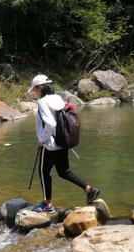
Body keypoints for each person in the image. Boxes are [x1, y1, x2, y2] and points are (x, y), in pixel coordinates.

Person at [28, 74, 100, 213]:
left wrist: (42, 139)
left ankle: (47, 205)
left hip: (49, 145)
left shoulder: (43, 102)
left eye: (34, 90)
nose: (34, 93)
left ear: (39, 87)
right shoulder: (57, 98)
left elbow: (50, 123)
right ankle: (90, 190)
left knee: (43, 173)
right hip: (63, 141)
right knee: (64, 172)